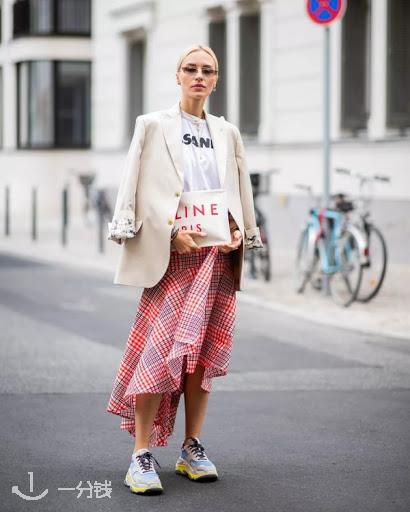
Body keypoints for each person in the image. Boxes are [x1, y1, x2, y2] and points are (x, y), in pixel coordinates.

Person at [106, 44, 262, 496]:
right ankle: (140, 454)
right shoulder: (153, 126)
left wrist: (239, 229)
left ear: (216, 80)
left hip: (214, 256)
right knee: (158, 353)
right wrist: (166, 232)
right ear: (177, 75)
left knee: (203, 357)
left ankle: (192, 447)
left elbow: (238, 188)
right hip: (170, 256)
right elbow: (132, 185)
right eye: (191, 69)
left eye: (207, 70)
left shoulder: (227, 132)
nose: (199, 76)